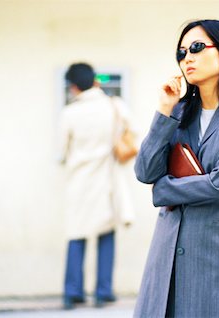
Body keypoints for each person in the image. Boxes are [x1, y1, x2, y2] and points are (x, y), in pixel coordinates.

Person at [133, 19, 219, 318]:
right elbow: (144, 171)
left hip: (215, 254)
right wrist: (165, 109)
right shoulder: (178, 114)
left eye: (196, 47)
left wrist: (165, 189)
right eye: (181, 53)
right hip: (166, 252)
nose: (187, 58)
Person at [58, 62, 134, 309]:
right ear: (95, 81)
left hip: (79, 181)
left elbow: (61, 151)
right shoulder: (114, 106)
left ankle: (72, 292)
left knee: (76, 234)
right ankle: (103, 292)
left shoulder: (69, 113)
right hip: (106, 179)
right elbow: (133, 132)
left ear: (74, 86)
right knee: (105, 233)